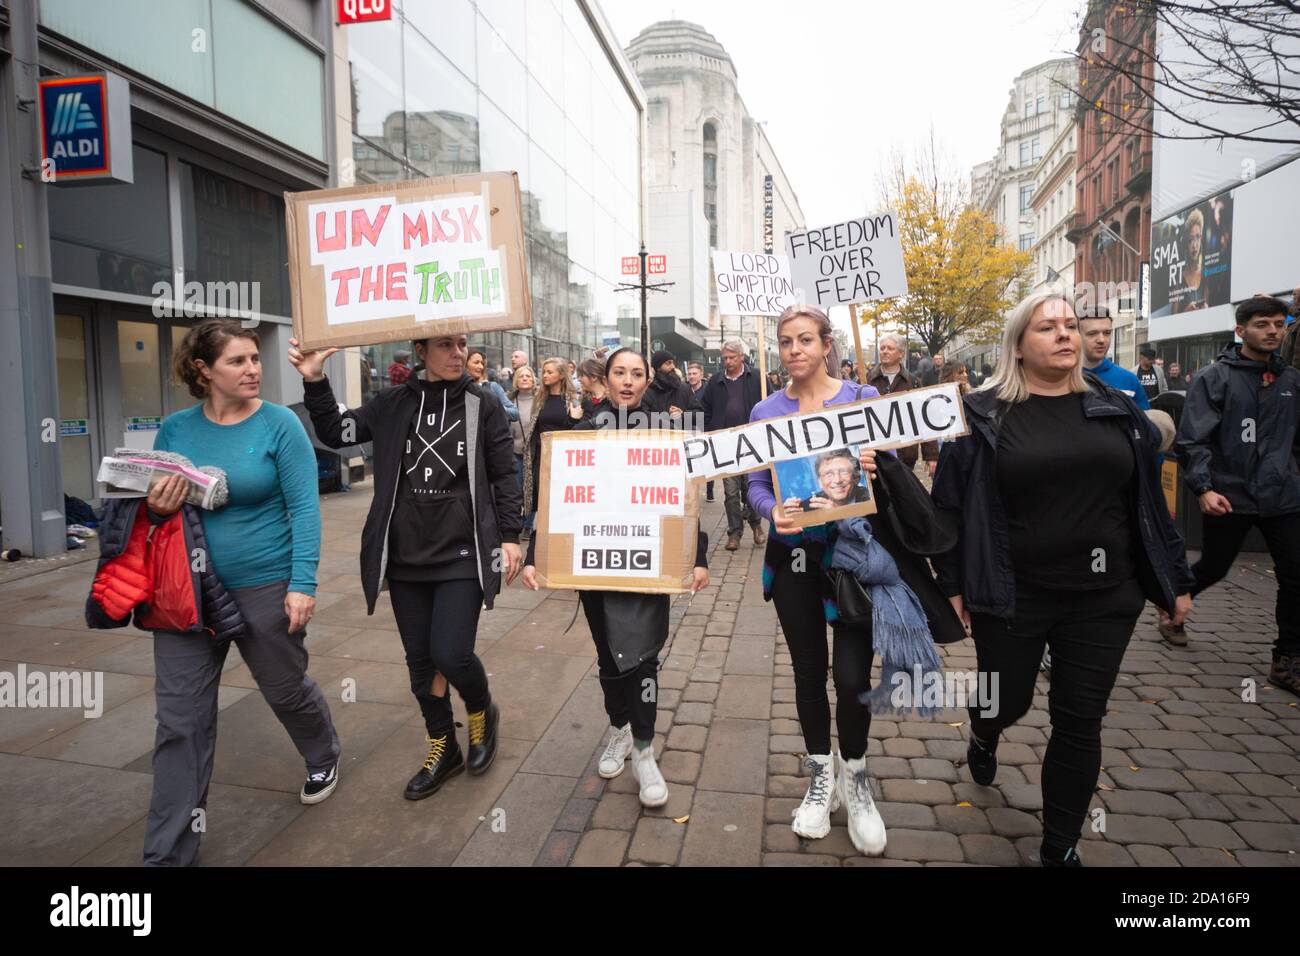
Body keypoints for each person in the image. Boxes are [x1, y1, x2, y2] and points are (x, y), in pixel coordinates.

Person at [931, 291, 1194, 867]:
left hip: (1105, 596)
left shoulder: (1116, 408)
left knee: (1080, 719)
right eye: (1048, 327)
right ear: (1019, 346)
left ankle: (1060, 846)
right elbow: (947, 509)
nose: (1066, 335)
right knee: (1010, 699)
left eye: (1071, 325)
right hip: (1012, 594)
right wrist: (951, 582)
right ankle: (985, 729)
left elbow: (1147, 502)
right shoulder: (979, 415)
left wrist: (1174, 578)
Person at [292, 332, 521, 800]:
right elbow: (340, 433)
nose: (457, 354)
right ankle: (444, 746)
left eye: (461, 344)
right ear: (421, 352)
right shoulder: (394, 401)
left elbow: (503, 473)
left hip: (463, 552)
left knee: (451, 652)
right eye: (445, 346)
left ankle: (481, 710)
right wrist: (315, 380)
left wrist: (512, 536)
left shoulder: (484, 405)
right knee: (421, 664)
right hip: (405, 556)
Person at [143, 319, 340, 865]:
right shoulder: (176, 430)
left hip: (266, 584)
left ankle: (322, 750)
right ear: (204, 370)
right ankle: (169, 856)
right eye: (238, 361)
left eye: (255, 358)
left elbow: (305, 508)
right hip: (189, 590)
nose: (253, 369)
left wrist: (303, 584)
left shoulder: (280, 426)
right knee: (180, 722)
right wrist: (158, 504)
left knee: (284, 689)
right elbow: (160, 508)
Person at [522, 348, 710, 808]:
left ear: (648, 380)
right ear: (604, 380)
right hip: (596, 562)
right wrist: (536, 554)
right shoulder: (582, 433)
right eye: (619, 373)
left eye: (637, 373)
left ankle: (645, 751)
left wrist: (698, 555)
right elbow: (555, 497)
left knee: (643, 658)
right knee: (609, 656)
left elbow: (686, 500)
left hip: (650, 560)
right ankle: (619, 729)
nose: (628, 381)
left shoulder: (668, 433)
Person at [746, 305, 888, 855]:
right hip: (795, 563)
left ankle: (856, 777)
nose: (794, 350)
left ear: (827, 343)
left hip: (854, 561)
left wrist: (880, 463)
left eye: (806, 339)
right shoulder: (766, 409)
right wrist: (771, 510)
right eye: (786, 342)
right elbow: (757, 482)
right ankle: (821, 777)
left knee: (852, 678)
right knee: (809, 671)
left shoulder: (863, 400)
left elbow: (896, 472)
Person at [1170, 296, 1300, 695]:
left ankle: (1286, 659)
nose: (1273, 331)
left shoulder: (1292, 381)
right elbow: (1194, 439)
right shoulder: (1215, 378)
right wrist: (1204, 488)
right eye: (1263, 324)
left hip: (1283, 495)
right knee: (1213, 567)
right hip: (1230, 494)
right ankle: (1172, 605)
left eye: (1279, 324)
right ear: (1241, 330)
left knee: (1296, 574)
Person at [699, 339, 765, 551]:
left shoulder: (756, 377)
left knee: (751, 488)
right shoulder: (716, 380)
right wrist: (711, 431)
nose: (727, 361)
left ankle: (756, 525)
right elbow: (705, 408)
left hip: (751, 442)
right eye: (724, 358)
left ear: (741, 357)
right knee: (730, 492)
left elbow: (769, 402)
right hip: (725, 444)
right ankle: (734, 532)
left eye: (731, 357)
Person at [865, 332, 939, 476]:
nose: (884, 351)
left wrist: (931, 455)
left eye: (890, 348)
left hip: (905, 454)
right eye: (882, 348)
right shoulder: (866, 380)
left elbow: (924, 418)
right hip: (875, 453)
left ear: (901, 354)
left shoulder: (913, 382)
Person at [523, 356, 585, 525]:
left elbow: (576, 434)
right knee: (542, 501)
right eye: (544, 372)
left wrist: (573, 420)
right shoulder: (540, 397)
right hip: (541, 458)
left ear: (561, 375)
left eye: (550, 372)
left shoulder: (573, 399)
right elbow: (534, 429)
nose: (545, 375)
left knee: (560, 500)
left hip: (564, 459)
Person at [1079, 307, 1150, 409]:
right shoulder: (1063, 379)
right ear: (1077, 336)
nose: (1101, 340)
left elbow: (1144, 422)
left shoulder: (1129, 381)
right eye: (1092, 333)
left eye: (1107, 333)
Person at [783, 447, 871, 512]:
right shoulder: (804, 507)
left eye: (844, 472)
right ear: (820, 482)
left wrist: (838, 514)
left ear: (856, 478)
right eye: (829, 474)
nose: (837, 480)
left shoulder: (871, 499)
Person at [509, 366, 537, 537]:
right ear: (516, 380)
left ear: (533, 380)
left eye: (528, 376)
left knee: (531, 489)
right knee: (516, 489)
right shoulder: (509, 400)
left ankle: (527, 524)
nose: (525, 378)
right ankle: (517, 521)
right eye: (521, 376)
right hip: (514, 452)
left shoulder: (540, 400)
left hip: (532, 453)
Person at [642, 349, 699, 424]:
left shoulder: (685, 388)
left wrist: (682, 415)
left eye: (673, 363)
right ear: (658, 368)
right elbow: (644, 420)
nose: (673, 367)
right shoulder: (648, 393)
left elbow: (699, 413)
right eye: (668, 363)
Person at [687, 361, 714, 502]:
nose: (691, 376)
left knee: (708, 462)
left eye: (694, 374)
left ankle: (710, 490)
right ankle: (692, 491)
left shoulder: (708, 390)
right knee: (692, 462)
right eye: (689, 374)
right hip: (688, 429)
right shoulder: (683, 389)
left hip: (705, 429)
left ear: (701, 375)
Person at [468, 349, 519, 422]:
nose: (481, 367)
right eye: (476, 363)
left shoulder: (492, 387)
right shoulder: (458, 390)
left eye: (482, 363)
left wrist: (495, 407)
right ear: (465, 364)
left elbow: (515, 414)